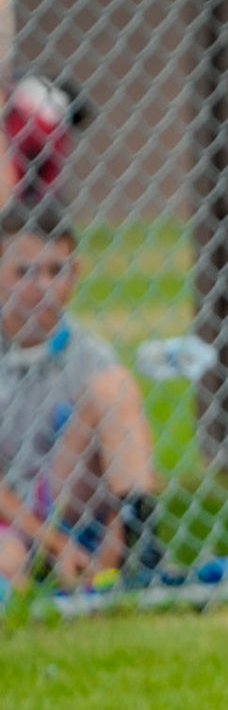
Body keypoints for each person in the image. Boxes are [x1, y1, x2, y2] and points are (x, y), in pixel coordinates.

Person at [0, 196, 162, 599]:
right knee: (8, 561)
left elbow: (121, 457)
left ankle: (141, 555)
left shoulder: (88, 355)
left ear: (75, 274)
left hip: (66, 501)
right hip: (11, 515)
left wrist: (109, 554)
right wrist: (56, 546)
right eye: (24, 272)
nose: (43, 286)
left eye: (56, 270)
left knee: (114, 387)